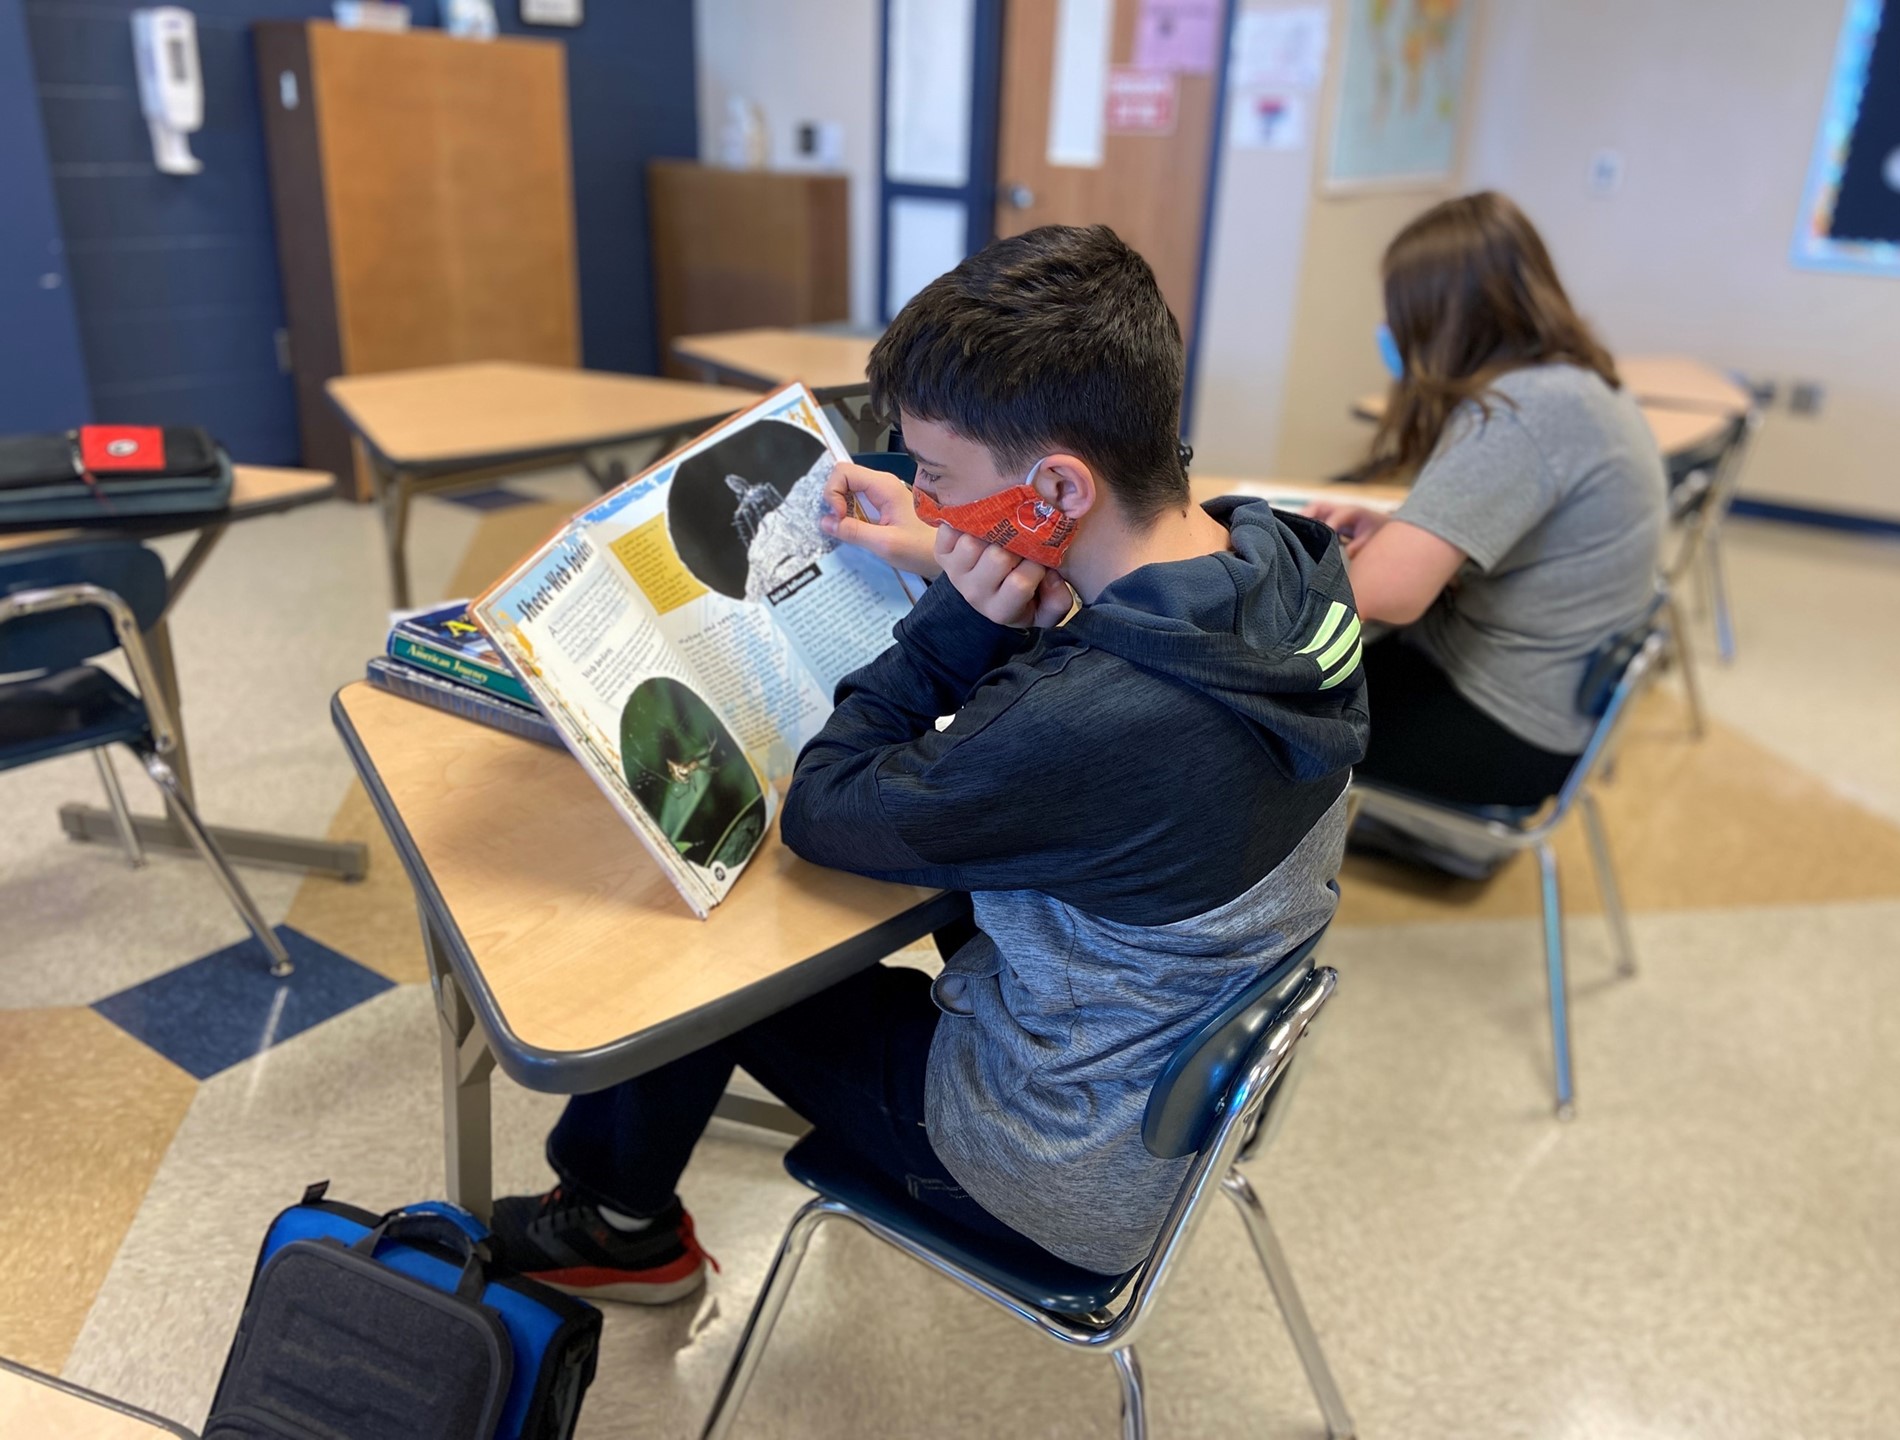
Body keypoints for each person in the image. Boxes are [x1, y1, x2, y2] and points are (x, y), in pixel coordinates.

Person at [488, 224, 1368, 1298]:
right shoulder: (1288, 565)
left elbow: (824, 805)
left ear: (1056, 491)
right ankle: (619, 1195)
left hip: (1037, 1166)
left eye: (940, 479)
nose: (933, 509)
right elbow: (1120, 667)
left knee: (710, 967)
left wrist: (957, 621)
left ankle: (618, 1221)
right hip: (1153, 1092)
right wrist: (991, 566)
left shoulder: (1085, 722)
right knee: (835, 923)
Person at [1305, 191, 1665, 813]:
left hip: (1501, 726)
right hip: (1547, 709)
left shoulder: (1519, 414)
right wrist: (1407, 528)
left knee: (1245, 715)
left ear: (1444, 320)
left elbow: (1383, 594)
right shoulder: (1577, 387)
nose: (1393, 333)